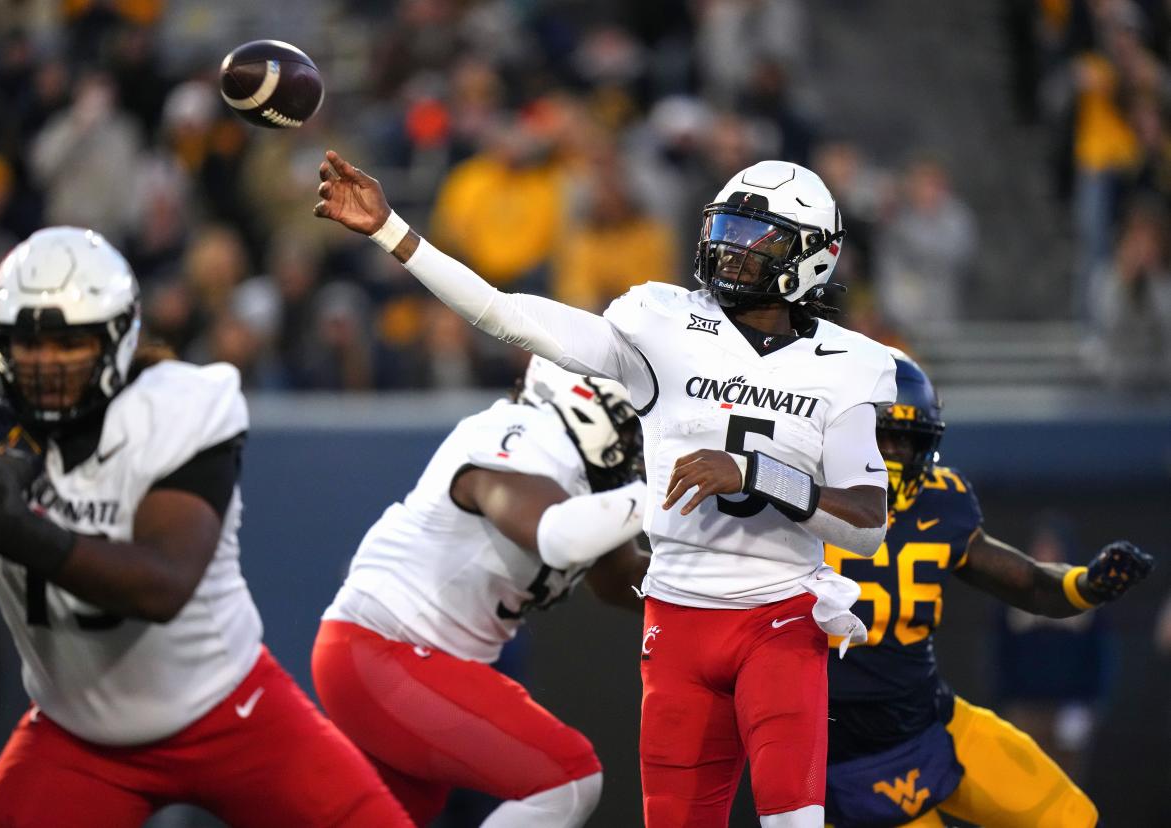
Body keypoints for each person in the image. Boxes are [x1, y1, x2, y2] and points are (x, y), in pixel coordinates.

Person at [314, 151, 898, 828]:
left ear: (815, 258)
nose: (731, 251)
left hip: (778, 609)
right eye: (728, 230)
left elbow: (865, 523)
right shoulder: (664, 322)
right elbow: (508, 315)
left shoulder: (850, 363)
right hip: (676, 622)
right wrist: (394, 232)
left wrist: (753, 472)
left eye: (756, 239)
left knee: (792, 820)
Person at [0, 227, 413, 827]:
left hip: (228, 708)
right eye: (27, 344)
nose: (44, 364)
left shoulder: (181, 406)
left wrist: (12, 527)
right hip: (77, 731)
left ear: (118, 341)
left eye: (68, 344)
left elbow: (162, 583)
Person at [313, 354, 649, 827]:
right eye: (630, 425)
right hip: (384, 648)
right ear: (585, 403)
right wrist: (657, 493)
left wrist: (728, 589)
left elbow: (620, 581)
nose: (637, 445)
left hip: (410, 662)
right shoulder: (517, 431)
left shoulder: (585, 481)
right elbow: (556, 535)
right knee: (567, 778)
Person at [823, 349, 1153, 828]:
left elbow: (1029, 584)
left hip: (931, 720)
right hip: (845, 752)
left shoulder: (943, 499)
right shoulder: (800, 496)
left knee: (1071, 816)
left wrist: (1088, 584)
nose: (893, 454)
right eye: (882, 437)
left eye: (907, 441)